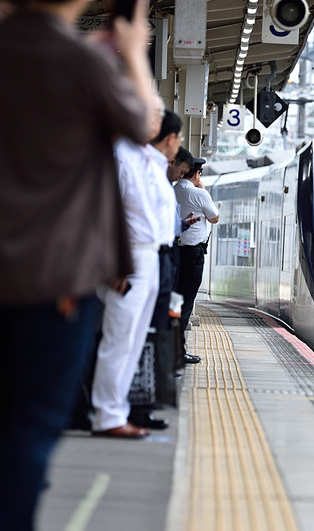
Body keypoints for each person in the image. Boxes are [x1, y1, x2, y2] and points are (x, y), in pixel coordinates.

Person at [0, 0, 155, 527]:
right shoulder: (80, 62)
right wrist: (133, 54)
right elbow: (144, 124)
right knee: (32, 424)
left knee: (1, 414)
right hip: (57, 271)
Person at [90, 101, 172, 438]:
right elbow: (103, 210)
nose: (157, 120)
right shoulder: (119, 156)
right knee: (118, 338)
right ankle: (106, 414)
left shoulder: (149, 159)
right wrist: (112, 260)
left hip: (151, 256)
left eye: (158, 115)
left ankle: (116, 409)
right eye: (151, 113)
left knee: (134, 340)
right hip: (128, 258)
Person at [174, 156, 219, 362]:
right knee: (186, 301)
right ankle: (178, 352)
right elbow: (215, 217)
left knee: (174, 301)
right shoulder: (198, 193)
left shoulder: (174, 190)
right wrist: (202, 187)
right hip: (193, 255)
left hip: (175, 252)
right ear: (197, 173)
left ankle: (172, 349)